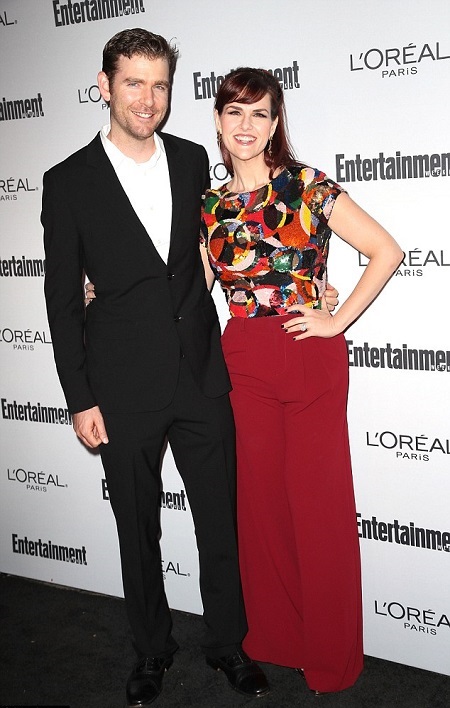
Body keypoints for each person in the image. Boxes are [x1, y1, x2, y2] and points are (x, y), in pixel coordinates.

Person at [42, 29, 272, 707]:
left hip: (201, 373)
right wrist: (80, 396)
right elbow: (62, 300)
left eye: (160, 85)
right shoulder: (68, 182)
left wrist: (294, 286)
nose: (148, 98)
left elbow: (214, 249)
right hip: (119, 386)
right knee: (137, 530)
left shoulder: (194, 159)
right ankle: (151, 649)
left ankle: (228, 643)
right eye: (133, 82)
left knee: (220, 522)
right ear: (105, 85)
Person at [200, 67, 403, 695]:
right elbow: (191, 289)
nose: (246, 125)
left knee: (319, 509)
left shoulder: (307, 186)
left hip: (308, 355)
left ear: (275, 124)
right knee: (261, 510)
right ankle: (278, 640)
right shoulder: (210, 206)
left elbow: (387, 251)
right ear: (218, 120)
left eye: (259, 113)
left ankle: (331, 658)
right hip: (243, 360)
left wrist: (335, 318)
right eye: (235, 111)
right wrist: (105, 291)